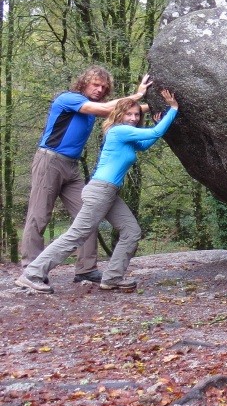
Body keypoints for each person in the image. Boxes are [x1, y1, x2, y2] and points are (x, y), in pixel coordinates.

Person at [16, 90, 179, 293]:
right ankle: (32, 273)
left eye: (137, 115)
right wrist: (173, 109)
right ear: (119, 115)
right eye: (129, 114)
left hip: (109, 193)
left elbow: (145, 144)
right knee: (76, 235)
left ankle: (112, 278)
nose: (134, 118)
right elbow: (155, 133)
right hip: (100, 191)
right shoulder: (119, 131)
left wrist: (157, 122)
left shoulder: (127, 136)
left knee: (131, 231)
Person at [21, 66, 152, 284]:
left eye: (104, 87)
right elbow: (109, 109)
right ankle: (31, 270)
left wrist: (162, 109)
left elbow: (128, 112)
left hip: (71, 166)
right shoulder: (69, 98)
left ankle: (86, 269)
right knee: (39, 215)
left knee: (89, 215)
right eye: (95, 84)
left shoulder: (96, 107)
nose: (100, 89)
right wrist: (137, 94)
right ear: (84, 83)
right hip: (50, 161)